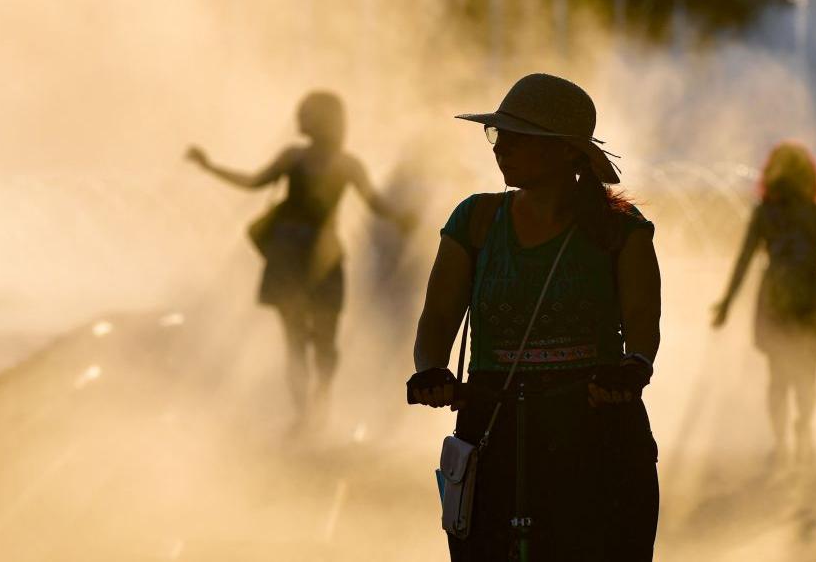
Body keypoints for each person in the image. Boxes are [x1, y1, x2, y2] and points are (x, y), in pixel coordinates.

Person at [407, 73, 661, 561]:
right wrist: (429, 370)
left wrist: (633, 369)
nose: (501, 148)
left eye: (518, 138)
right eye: (497, 135)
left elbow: (643, 321)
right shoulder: (475, 220)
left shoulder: (621, 230)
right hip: (494, 427)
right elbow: (438, 316)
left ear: (568, 152)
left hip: (593, 426)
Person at [187, 91, 412, 433]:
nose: (299, 121)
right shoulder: (335, 162)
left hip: (294, 257)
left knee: (308, 341)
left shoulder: (304, 159)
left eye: (305, 114)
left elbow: (252, 183)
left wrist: (209, 166)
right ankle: (310, 411)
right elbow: (377, 205)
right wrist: (401, 219)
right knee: (310, 341)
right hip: (312, 258)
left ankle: (313, 408)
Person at [712, 142, 816, 467]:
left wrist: (726, 302)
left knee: (778, 377)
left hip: (776, 295)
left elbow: (744, 260)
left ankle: (781, 444)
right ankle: (802, 428)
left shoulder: (765, 213)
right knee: (808, 375)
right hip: (809, 294)